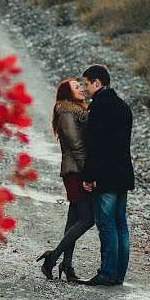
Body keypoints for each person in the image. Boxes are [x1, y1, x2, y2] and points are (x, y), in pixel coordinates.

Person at [80, 64, 135, 286]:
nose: (85, 89)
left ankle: (106, 273)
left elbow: (96, 147)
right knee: (121, 225)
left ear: (97, 82)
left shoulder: (98, 108)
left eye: (86, 84)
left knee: (107, 225)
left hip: (105, 176)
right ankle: (118, 275)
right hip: (122, 175)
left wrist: (89, 176)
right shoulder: (123, 107)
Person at [36, 78, 95, 282]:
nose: (81, 89)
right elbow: (76, 145)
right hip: (76, 171)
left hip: (76, 171)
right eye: (76, 87)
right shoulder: (67, 112)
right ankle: (52, 258)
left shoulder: (75, 110)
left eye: (81, 86)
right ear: (67, 93)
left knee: (74, 220)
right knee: (88, 219)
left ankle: (67, 265)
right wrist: (88, 172)